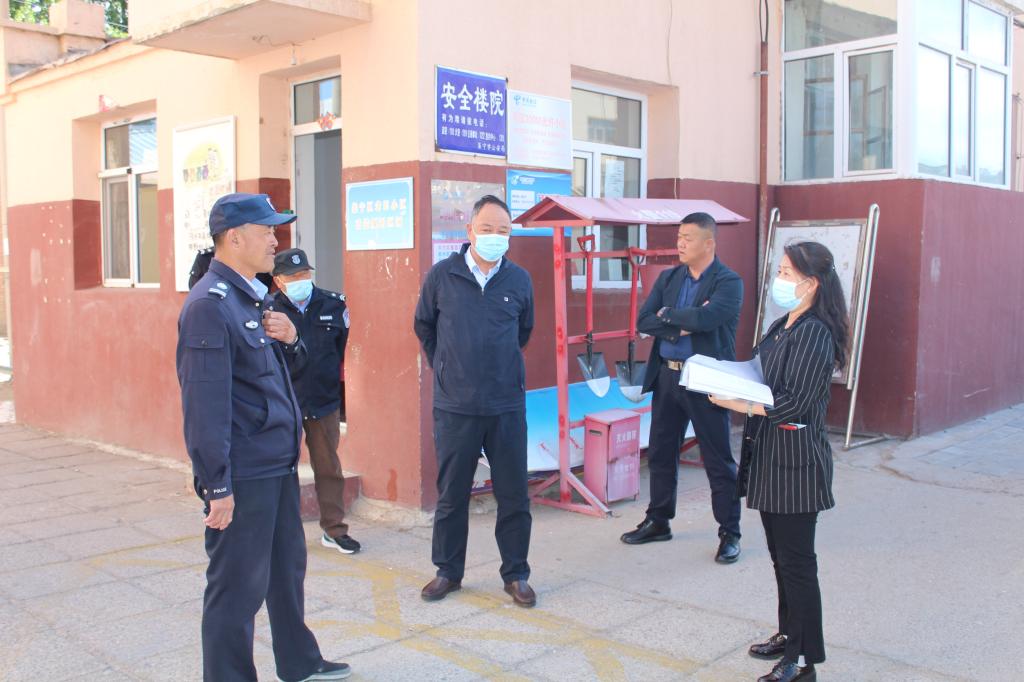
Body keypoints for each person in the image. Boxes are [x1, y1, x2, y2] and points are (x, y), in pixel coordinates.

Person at [176, 193, 350, 682]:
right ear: (234, 238)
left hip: (276, 463)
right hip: (245, 470)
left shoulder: (252, 297)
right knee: (237, 587)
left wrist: (292, 340)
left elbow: (276, 379)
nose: (276, 240)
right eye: (267, 230)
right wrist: (217, 484)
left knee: (286, 570)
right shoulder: (210, 306)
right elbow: (204, 405)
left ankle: (298, 661)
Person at [709, 241, 849, 682]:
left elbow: (796, 402)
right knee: (780, 559)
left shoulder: (814, 332)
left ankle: (803, 661)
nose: (779, 279)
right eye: (781, 270)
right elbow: (760, 374)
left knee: (798, 565)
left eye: (788, 273)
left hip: (796, 466)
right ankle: (789, 634)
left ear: (812, 283)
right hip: (770, 459)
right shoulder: (783, 325)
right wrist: (726, 378)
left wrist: (739, 403)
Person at [413, 195, 536, 607]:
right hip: (456, 407)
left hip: (505, 405)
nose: (494, 236)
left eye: (503, 230)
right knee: (452, 495)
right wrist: (446, 367)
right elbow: (424, 325)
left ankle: (516, 574)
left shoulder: (519, 280)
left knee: (514, 495)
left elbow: (524, 331)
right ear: (469, 231)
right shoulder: (442, 275)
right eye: (487, 229)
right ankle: (448, 572)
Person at [620, 212, 744, 564]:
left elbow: (709, 318)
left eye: (688, 238)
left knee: (717, 458)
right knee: (661, 452)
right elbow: (645, 320)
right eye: (679, 237)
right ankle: (659, 520)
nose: (680, 243)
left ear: (709, 243)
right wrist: (682, 323)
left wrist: (668, 316)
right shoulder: (670, 277)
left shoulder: (728, 282)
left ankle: (730, 532)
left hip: (705, 380)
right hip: (668, 376)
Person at [272, 247, 360, 555]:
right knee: (280, 470)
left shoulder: (333, 304)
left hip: (323, 402)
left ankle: (334, 530)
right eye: (293, 276)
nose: (300, 280)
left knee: (328, 468)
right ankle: (280, 532)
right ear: (278, 280)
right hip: (285, 403)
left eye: (304, 274)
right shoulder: (269, 310)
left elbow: (339, 348)